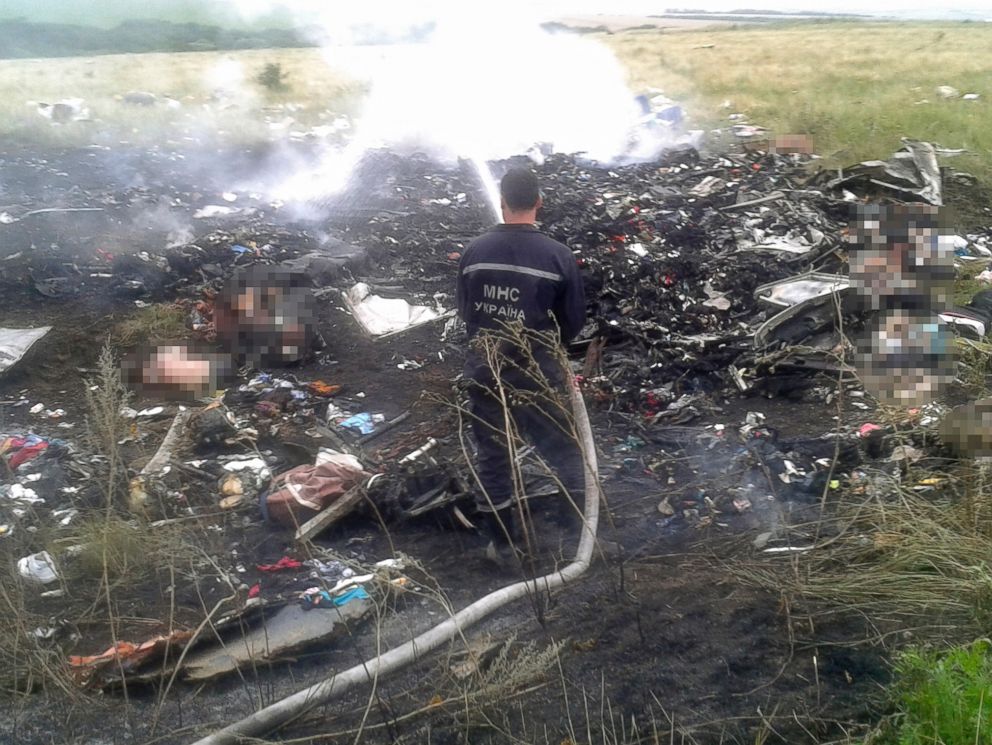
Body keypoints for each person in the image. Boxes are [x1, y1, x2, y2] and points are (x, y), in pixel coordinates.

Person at [455, 167, 586, 553]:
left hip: (484, 368)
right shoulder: (558, 256)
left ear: (502, 202)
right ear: (539, 202)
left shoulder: (474, 252)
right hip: (537, 373)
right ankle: (576, 532)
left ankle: (504, 543)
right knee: (563, 446)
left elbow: (467, 313)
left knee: (493, 452)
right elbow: (573, 322)